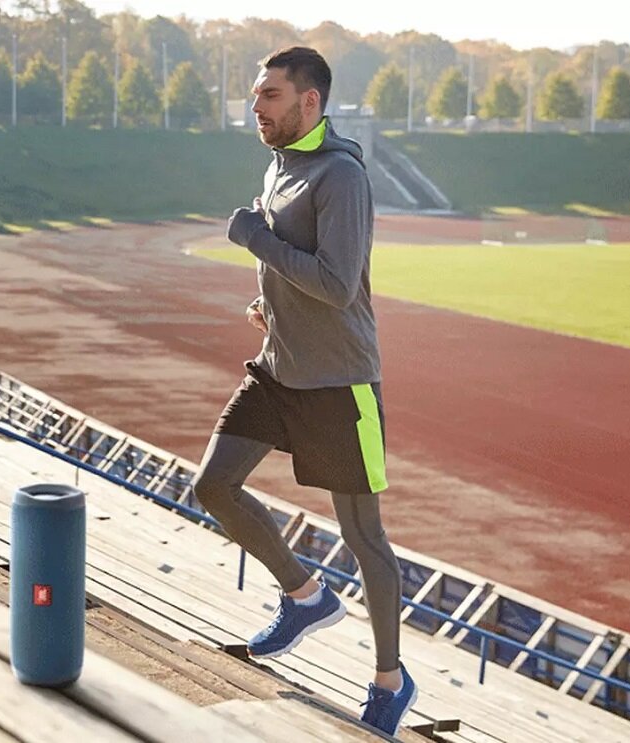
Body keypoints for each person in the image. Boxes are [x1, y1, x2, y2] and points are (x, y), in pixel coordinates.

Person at [191, 46, 417, 735]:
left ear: (309, 101)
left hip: (337, 383)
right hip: (279, 367)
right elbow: (294, 275)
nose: (255, 108)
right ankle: (305, 594)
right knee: (213, 486)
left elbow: (337, 283)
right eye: (256, 95)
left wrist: (254, 238)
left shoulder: (341, 175)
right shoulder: (280, 162)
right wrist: (267, 305)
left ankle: (390, 677)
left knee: (364, 536)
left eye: (269, 96)